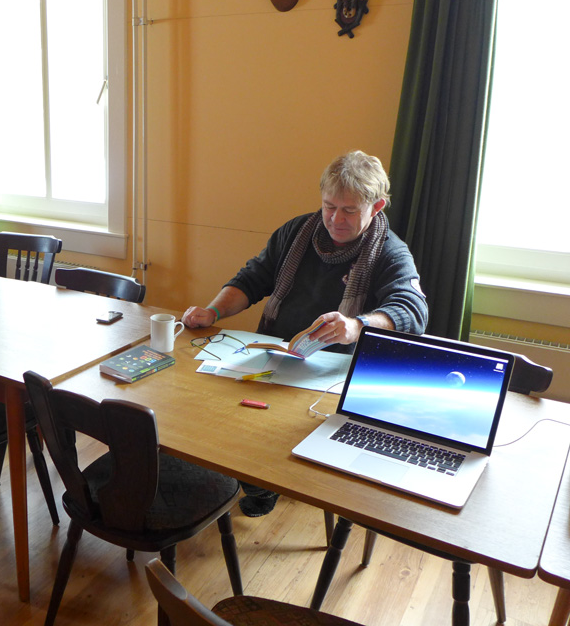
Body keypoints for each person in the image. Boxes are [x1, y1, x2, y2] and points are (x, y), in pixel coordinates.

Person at [181, 150, 428, 517]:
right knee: (207, 403)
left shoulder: (390, 251)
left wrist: (357, 326)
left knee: (275, 427)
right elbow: (252, 278)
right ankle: (252, 476)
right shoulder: (296, 232)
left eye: (349, 210)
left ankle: (267, 481)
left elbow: (413, 311)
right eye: (329, 206)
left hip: (334, 372)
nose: (336, 219)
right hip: (274, 353)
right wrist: (212, 311)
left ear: (376, 207)